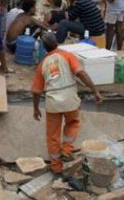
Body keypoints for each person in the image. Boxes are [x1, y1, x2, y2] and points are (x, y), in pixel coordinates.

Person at [32, 33, 102, 172]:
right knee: (73, 123)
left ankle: (56, 167)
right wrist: (95, 90)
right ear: (57, 42)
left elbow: (36, 91)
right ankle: (66, 150)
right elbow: (81, 73)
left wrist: (36, 108)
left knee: (53, 136)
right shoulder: (68, 56)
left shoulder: (42, 64)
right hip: (70, 101)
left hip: (53, 104)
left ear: (44, 47)